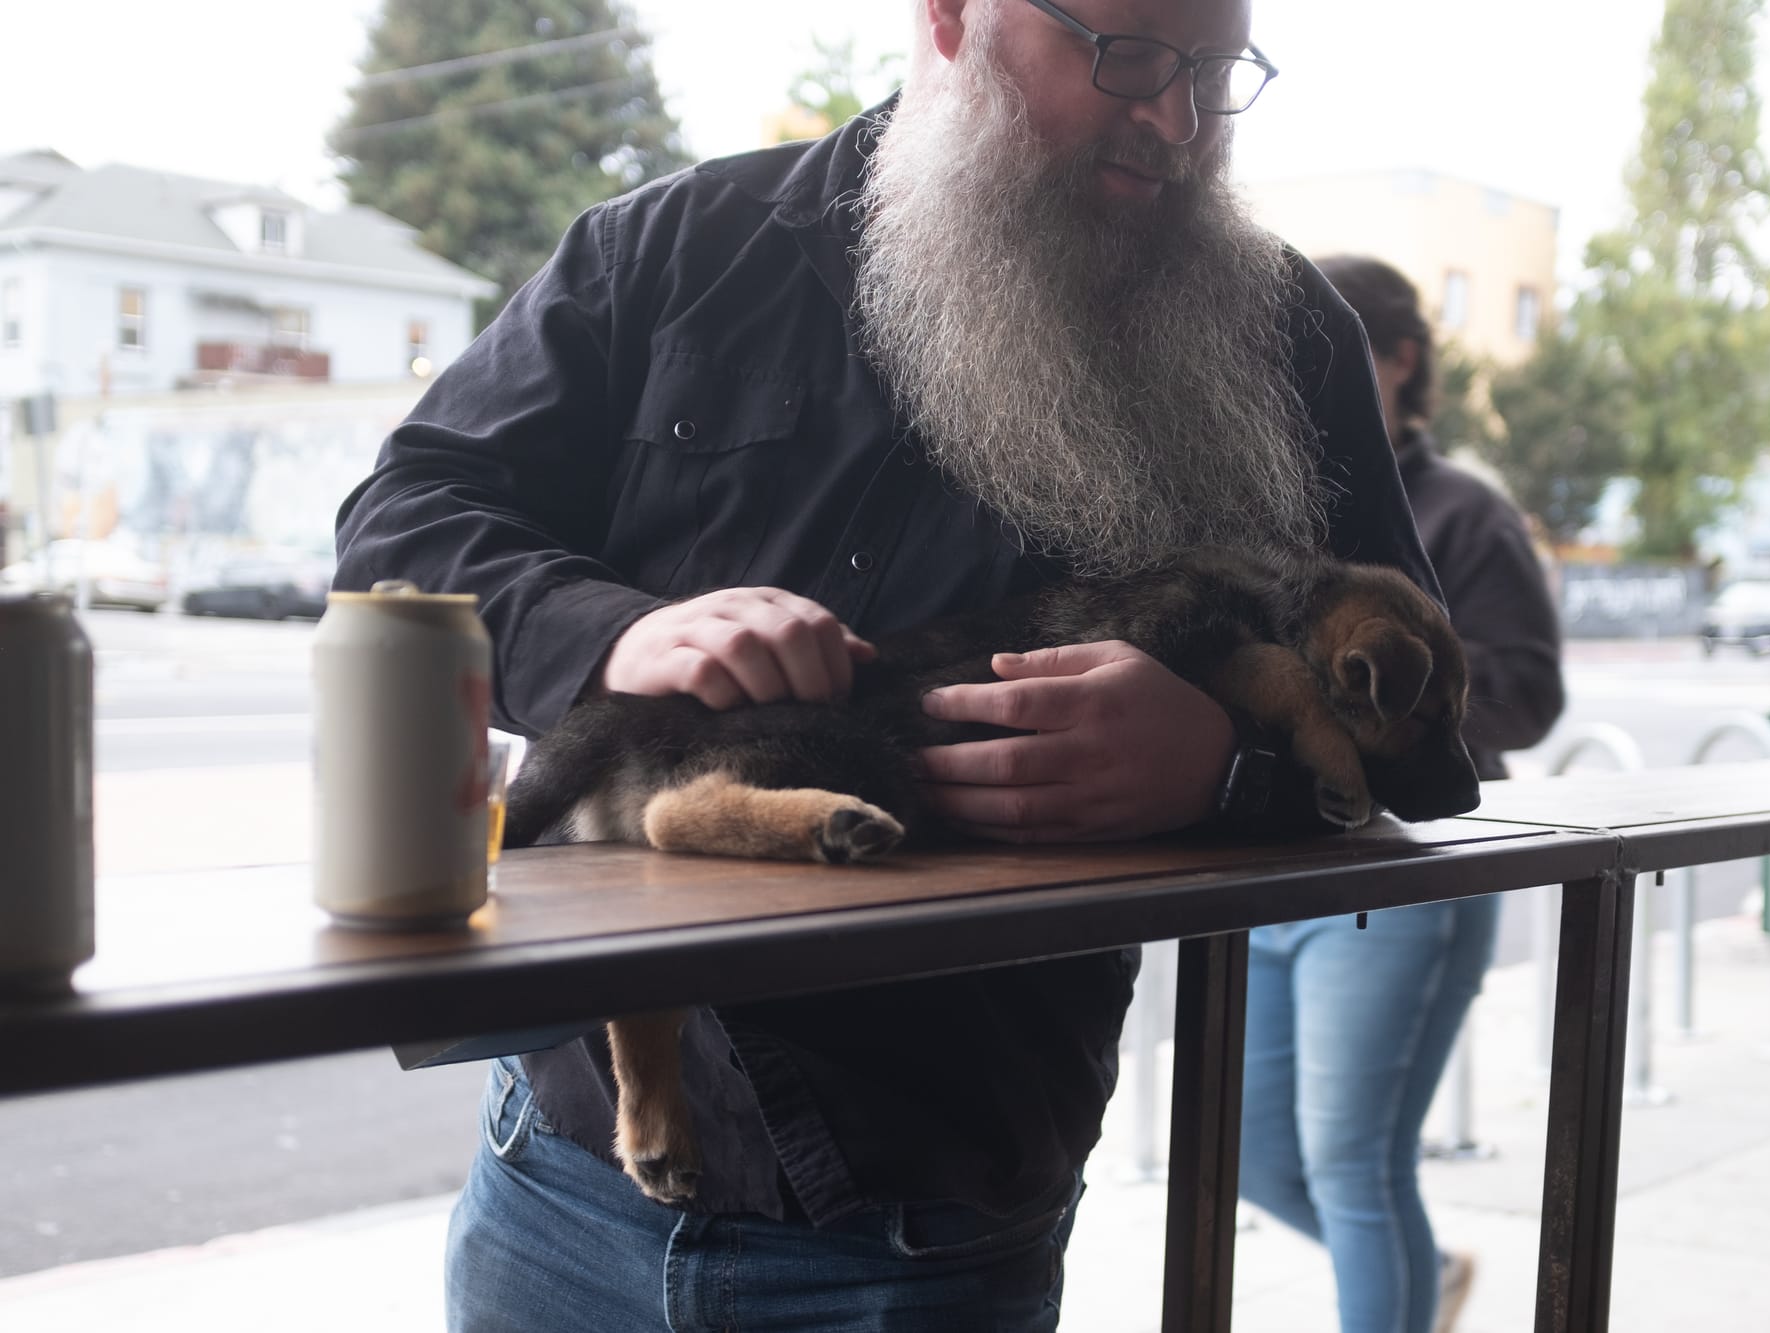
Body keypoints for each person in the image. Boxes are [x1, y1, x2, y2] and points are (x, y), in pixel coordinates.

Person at [335, 3, 1446, 1329]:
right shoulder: (673, 247)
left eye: (1216, 69)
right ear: (953, 14)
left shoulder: (1287, 337)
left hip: (931, 1225)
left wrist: (1225, 768)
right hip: (561, 1175)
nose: (1179, 117)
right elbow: (402, 524)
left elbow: (1428, 748)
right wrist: (612, 633)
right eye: (1129, 53)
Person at [1237, 255, 1565, 1333]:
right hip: (1270, 870)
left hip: (1403, 877)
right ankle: (1426, 1278)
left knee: (1354, 1167)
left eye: (1332, 354)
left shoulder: (1464, 511)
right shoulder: (1267, 500)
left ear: (1401, 363)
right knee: (1250, 1151)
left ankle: (1403, 1290)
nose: (1304, 382)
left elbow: (1526, 692)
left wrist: (1386, 702)